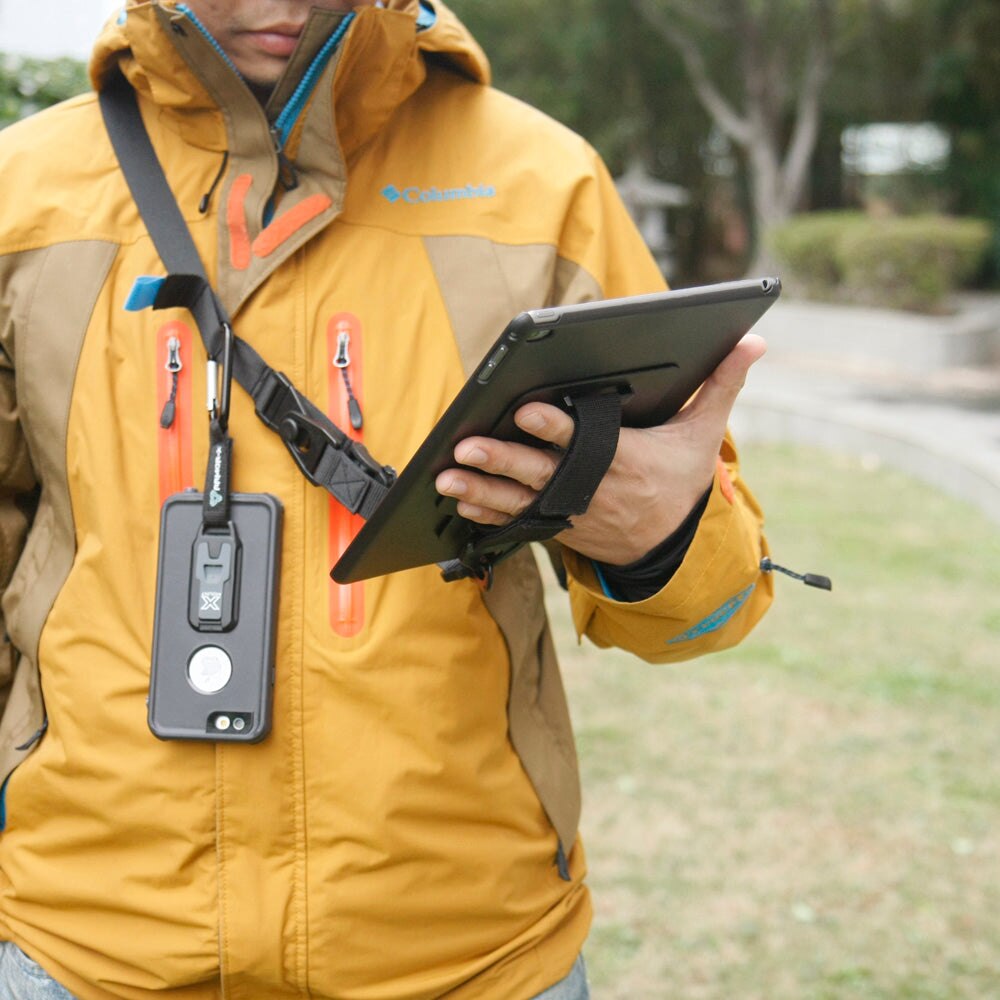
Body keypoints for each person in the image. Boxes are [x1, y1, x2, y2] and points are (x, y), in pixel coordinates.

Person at [0, 1, 774, 997]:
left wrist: (661, 537)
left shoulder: (542, 188)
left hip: (465, 953)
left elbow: (703, 614)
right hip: (81, 946)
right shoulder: (22, 196)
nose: (276, 9)